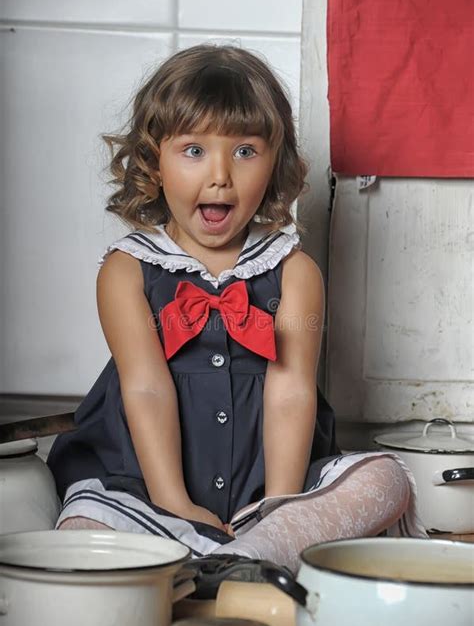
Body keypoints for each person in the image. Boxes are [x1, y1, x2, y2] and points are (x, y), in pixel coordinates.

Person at [47, 44, 425, 574]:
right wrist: (173, 501)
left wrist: (280, 504)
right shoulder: (126, 271)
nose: (220, 174)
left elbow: (291, 391)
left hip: (263, 494)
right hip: (145, 486)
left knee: (385, 480)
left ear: (275, 166)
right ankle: (213, 551)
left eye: (245, 151)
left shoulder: (294, 272)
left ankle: (250, 551)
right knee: (83, 521)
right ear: (155, 162)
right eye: (194, 150)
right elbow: (146, 387)